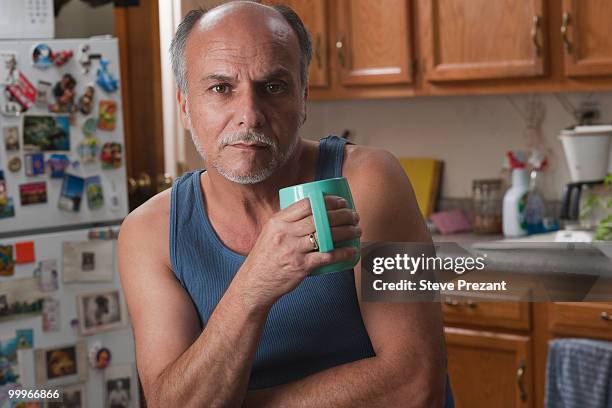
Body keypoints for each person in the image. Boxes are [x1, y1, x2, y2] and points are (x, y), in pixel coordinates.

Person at [118, 1, 448, 407]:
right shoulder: (149, 233)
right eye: (221, 88)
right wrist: (255, 284)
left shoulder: (370, 182)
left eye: (273, 87)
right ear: (185, 107)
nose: (250, 115)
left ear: (304, 98)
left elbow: (416, 385)